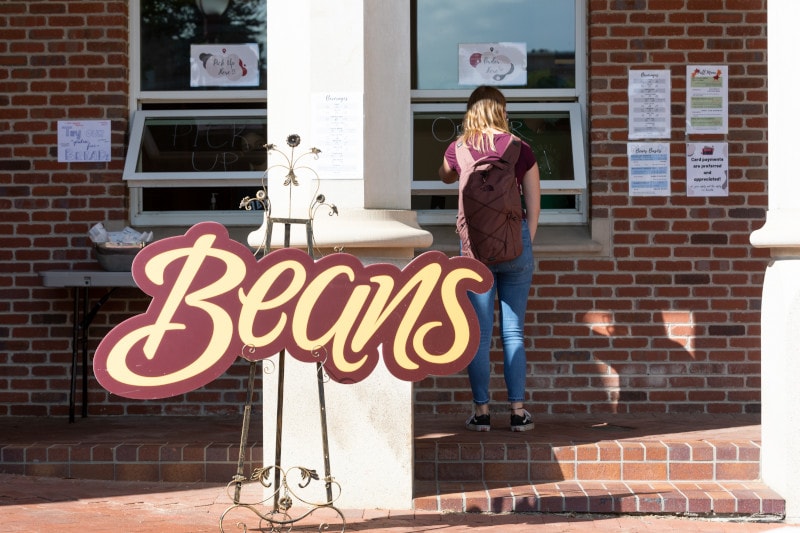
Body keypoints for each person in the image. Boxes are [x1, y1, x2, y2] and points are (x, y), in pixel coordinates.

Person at [438, 85, 541, 432]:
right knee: (513, 333)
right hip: (515, 246)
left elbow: (444, 175)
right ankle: (518, 412)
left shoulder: (458, 148)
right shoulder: (520, 148)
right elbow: (533, 203)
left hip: (475, 251)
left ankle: (481, 412)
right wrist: (524, 242)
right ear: (502, 111)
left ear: (471, 112)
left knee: (479, 335)